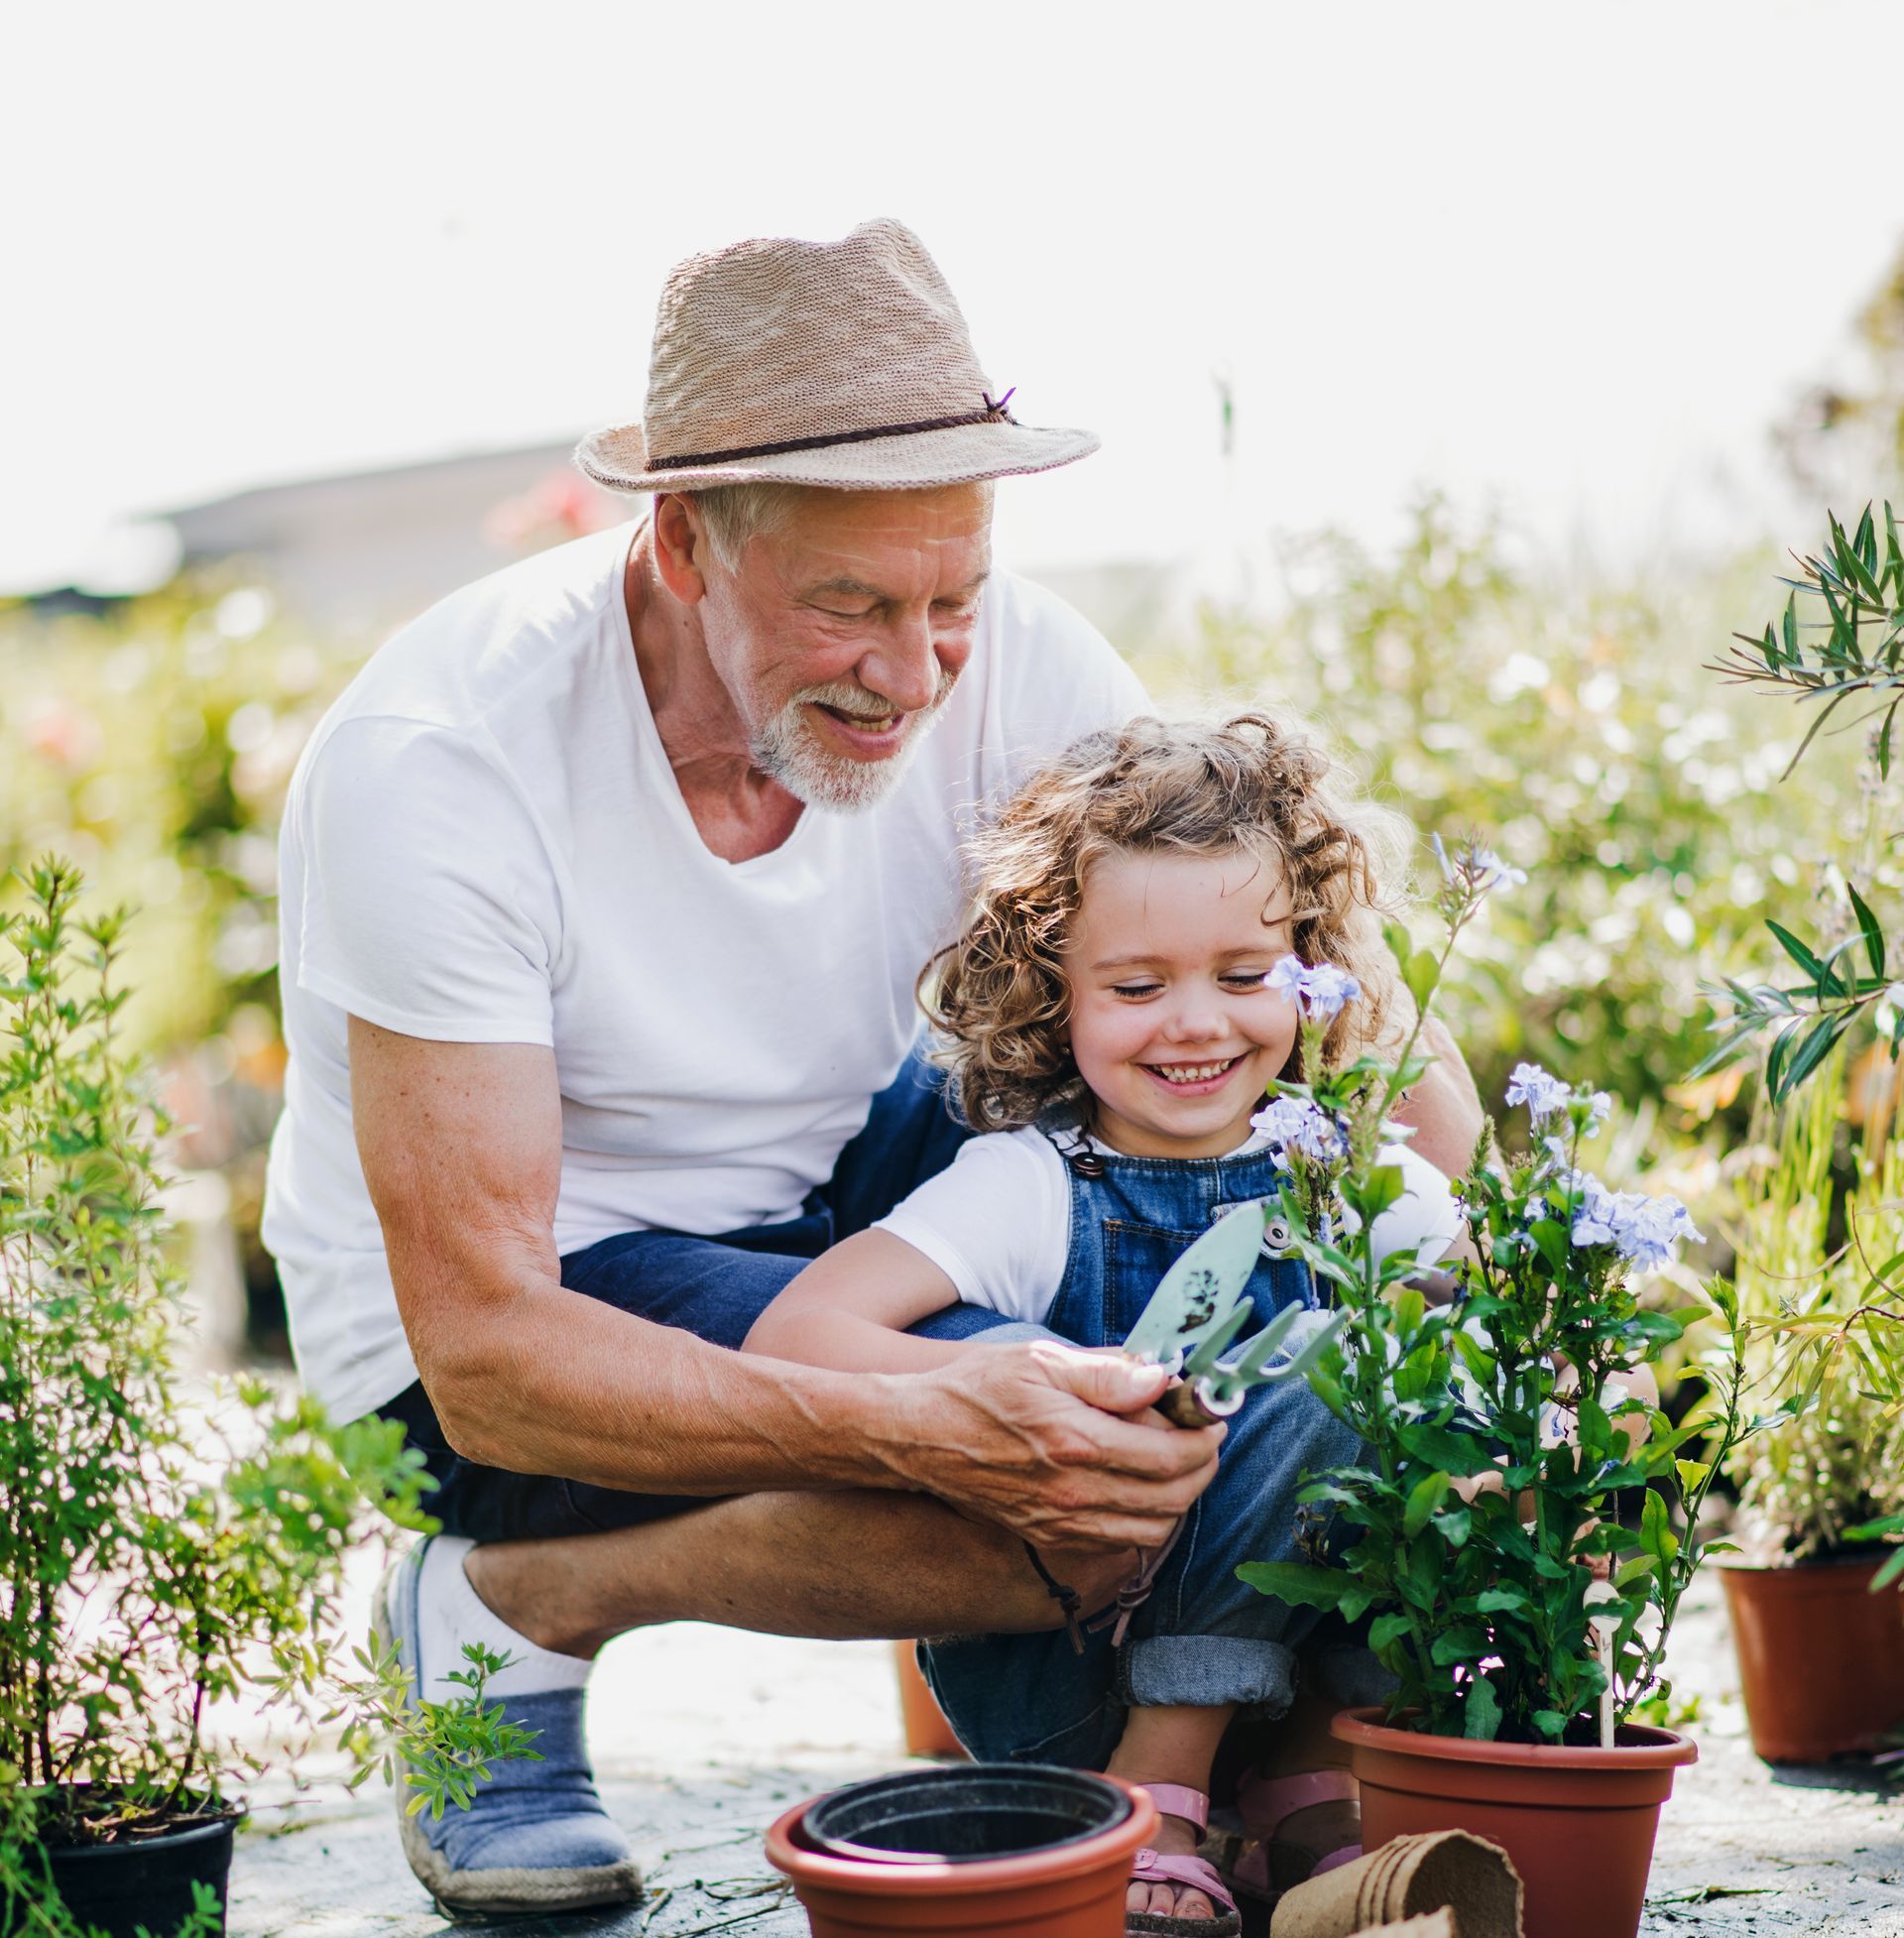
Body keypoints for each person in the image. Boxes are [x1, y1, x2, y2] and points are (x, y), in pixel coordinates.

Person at [262, 219, 1484, 1914]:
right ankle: (516, 1601)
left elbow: (1304, 986)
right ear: (686, 539)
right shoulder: (445, 762)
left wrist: (1372, 1055)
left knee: (1187, 1394)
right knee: (1049, 1488)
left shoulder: (1019, 660)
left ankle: (1267, 1764)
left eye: (950, 602)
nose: (913, 673)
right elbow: (485, 1351)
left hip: (842, 1201)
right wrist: (927, 1414)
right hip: (536, 1309)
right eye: (848, 605)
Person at [747, 714, 1465, 1935]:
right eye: (1137, 987)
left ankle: (1297, 1788)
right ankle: (1158, 1780)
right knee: (1332, 1365)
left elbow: (1489, 1268)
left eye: (1247, 975)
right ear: (1052, 989)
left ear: (1308, 967)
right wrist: (1028, 1374)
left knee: (1430, 1374)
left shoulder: (1344, 1169)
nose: (1196, 1023)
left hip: (1300, 1687)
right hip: (1062, 1680)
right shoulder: (1034, 1182)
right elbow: (798, 1334)